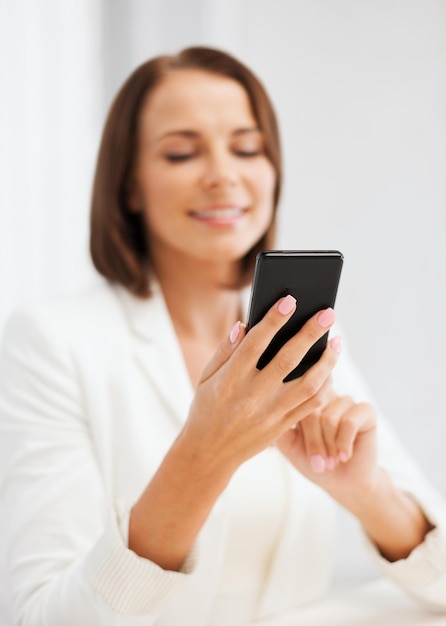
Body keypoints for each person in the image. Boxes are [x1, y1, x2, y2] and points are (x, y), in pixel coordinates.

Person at [0, 46, 445, 626]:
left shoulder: (300, 337)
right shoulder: (51, 344)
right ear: (129, 186)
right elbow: (43, 618)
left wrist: (366, 493)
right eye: (182, 152)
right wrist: (204, 452)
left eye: (247, 148)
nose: (223, 174)